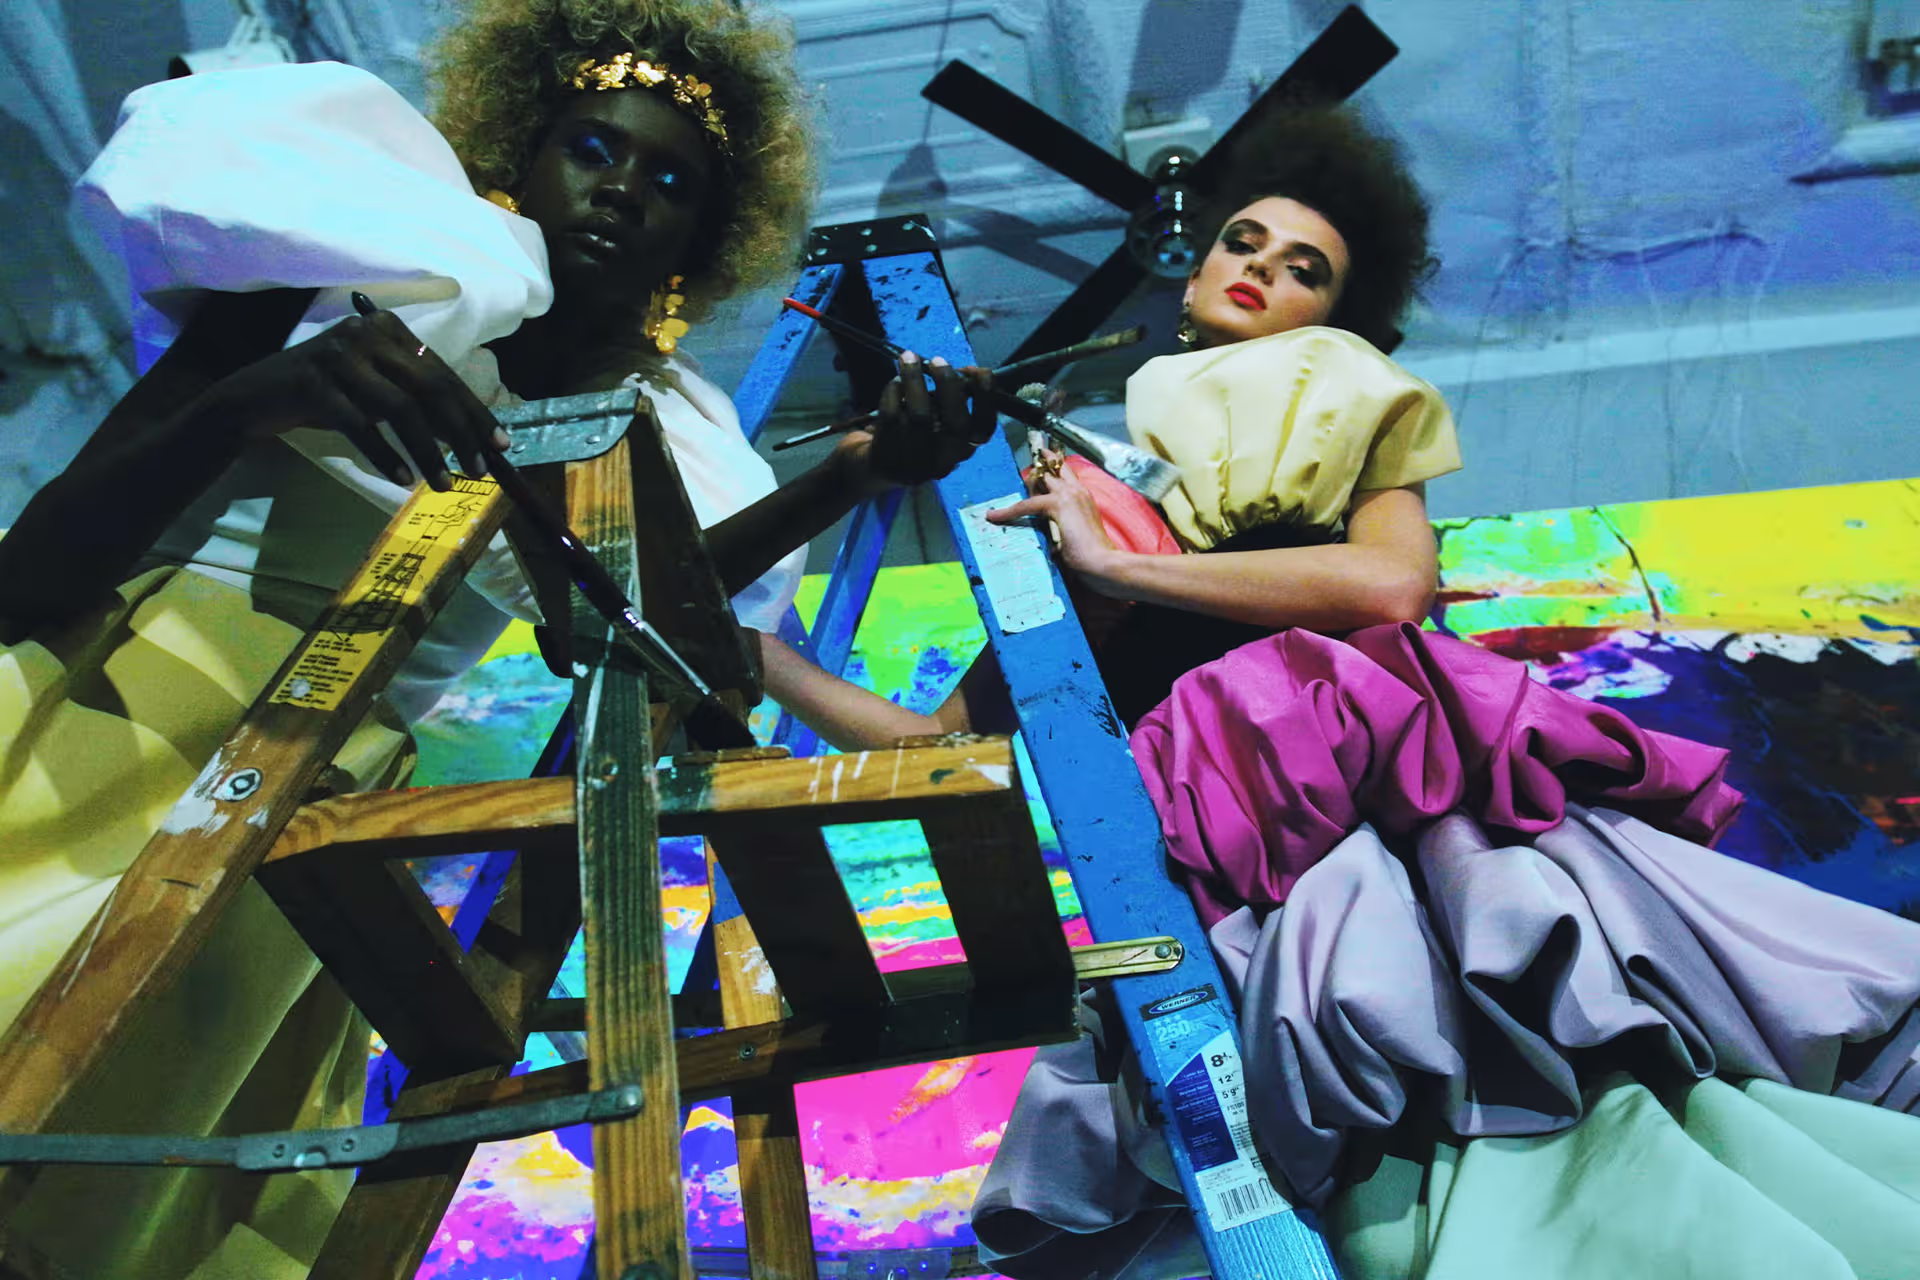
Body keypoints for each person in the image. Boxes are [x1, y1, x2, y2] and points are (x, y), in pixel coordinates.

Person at [757, 110, 1920, 1280]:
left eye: (1303, 266)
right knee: (1353, 1153)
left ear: (1332, 322)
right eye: (1242, 242)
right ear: (1192, 276)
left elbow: (1390, 586)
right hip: (1220, 860)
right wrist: (755, 653)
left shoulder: (1345, 433)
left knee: (1543, 1050)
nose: (1261, 267)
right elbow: (946, 738)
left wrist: (1128, 570)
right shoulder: (1101, 500)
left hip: (1396, 814)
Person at [0, 2, 992, 1276]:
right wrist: (257, 398)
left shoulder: (669, 444)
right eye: (593, 147)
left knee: (115, 1191)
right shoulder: (353, 263)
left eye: (672, 182)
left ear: (700, 242)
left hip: (315, 801)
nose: (622, 189)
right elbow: (28, 575)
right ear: (520, 155)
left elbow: (644, 620)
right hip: (114, 707)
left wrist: (854, 476)